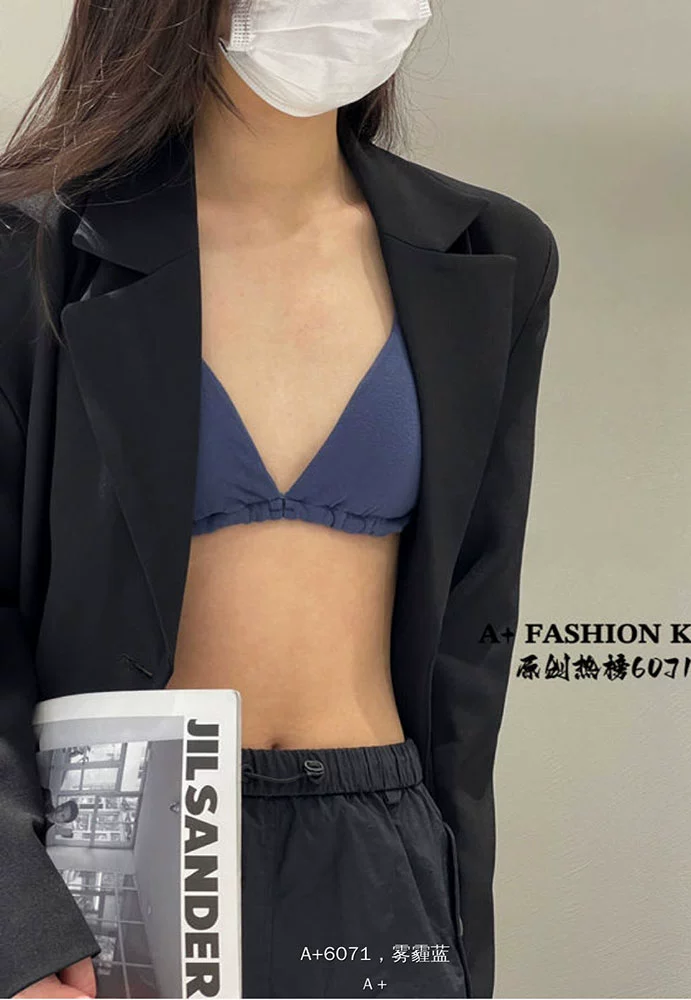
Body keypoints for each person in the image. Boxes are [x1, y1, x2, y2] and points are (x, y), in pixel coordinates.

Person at [0, 1, 560, 997]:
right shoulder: (29, 249)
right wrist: (17, 928)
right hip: (114, 855)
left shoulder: (487, 253)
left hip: (378, 840)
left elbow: (472, 635)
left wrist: (459, 922)